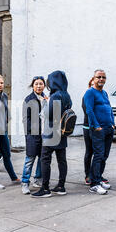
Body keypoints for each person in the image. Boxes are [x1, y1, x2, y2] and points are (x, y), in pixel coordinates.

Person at [32, 70, 72, 198]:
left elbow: (49, 114)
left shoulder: (55, 96)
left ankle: (45, 188)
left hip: (51, 133)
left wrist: (46, 103)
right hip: (62, 132)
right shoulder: (66, 95)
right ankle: (61, 186)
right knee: (62, 160)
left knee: (45, 160)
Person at [82, 69, 114, 195]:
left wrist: (112, 123)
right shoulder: (90, 93)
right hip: (98, 130)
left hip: (108, 128)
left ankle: (99, 178)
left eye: (103, 77)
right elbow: (89, 110)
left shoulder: (104, 93)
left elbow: (109, 108)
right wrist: (96, 126)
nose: (101, 79)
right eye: (99, 77)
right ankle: (94, 184)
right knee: (98, 155)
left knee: (104, 156)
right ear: (94, 78)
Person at [21, 76, 46, 194]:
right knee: (30, 159)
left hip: (44, 135)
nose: (39, 86)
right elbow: (26, 120)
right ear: (33, 86)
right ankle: (25, 182)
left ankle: (38, 179)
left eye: (41, 84)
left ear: (44, 85)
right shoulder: (29, 99)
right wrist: (31, 133)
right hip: (33, 135)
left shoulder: (46, 98)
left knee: (42, 158)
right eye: (36, 84)